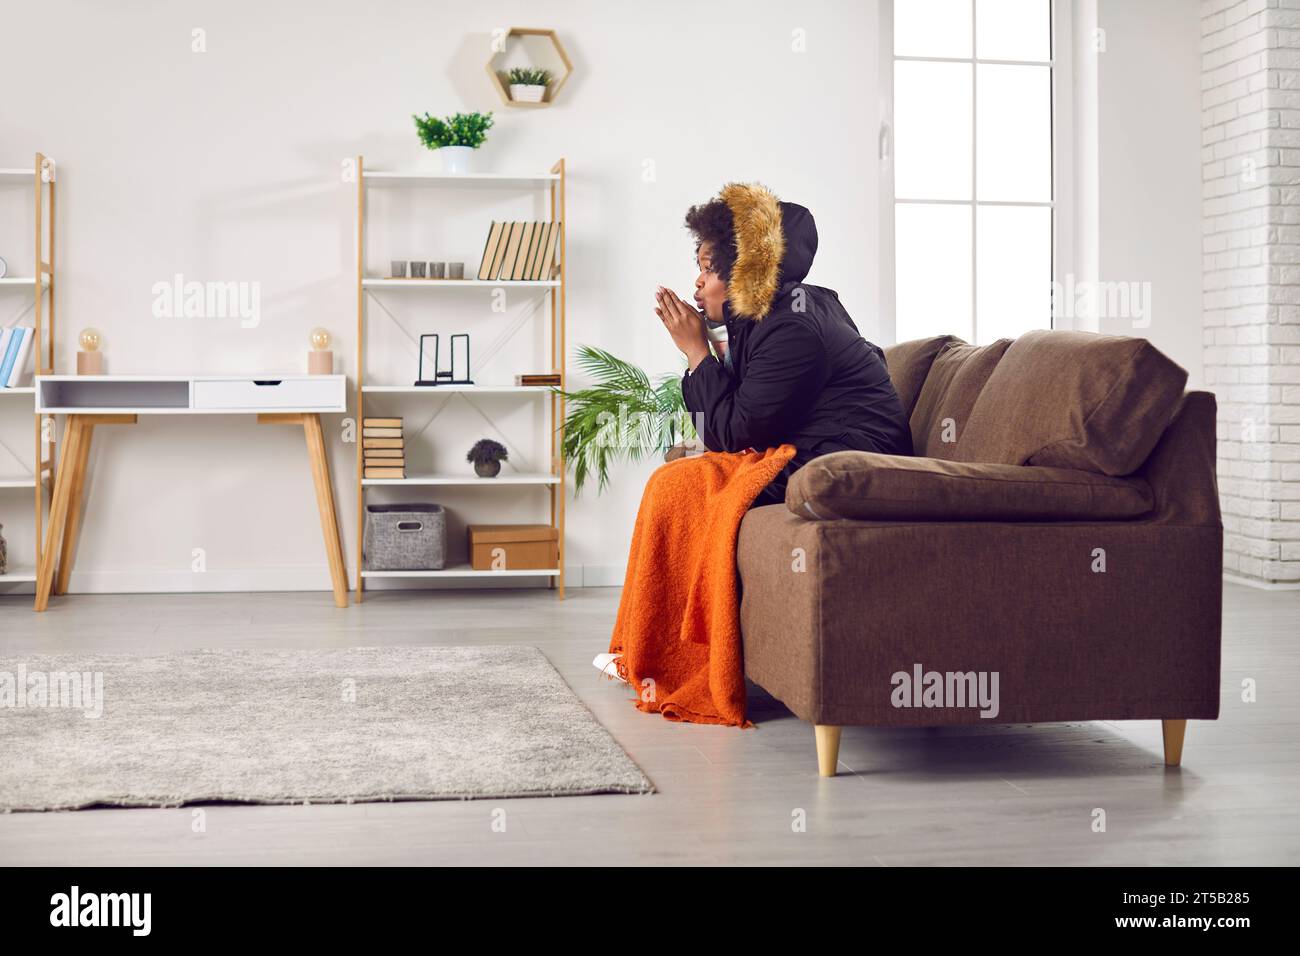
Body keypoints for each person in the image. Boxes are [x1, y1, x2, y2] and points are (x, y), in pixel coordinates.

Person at [654, 182, 911, 507]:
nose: (699, 280)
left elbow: (733, 433)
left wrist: (696, 350)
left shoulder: (791, 327)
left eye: (709, 267)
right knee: (682, 469)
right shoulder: (765, 319)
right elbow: (736, 420)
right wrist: (706, 352)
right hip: (824, 449)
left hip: (852, 463)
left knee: (681, 485)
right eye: (699, 268)